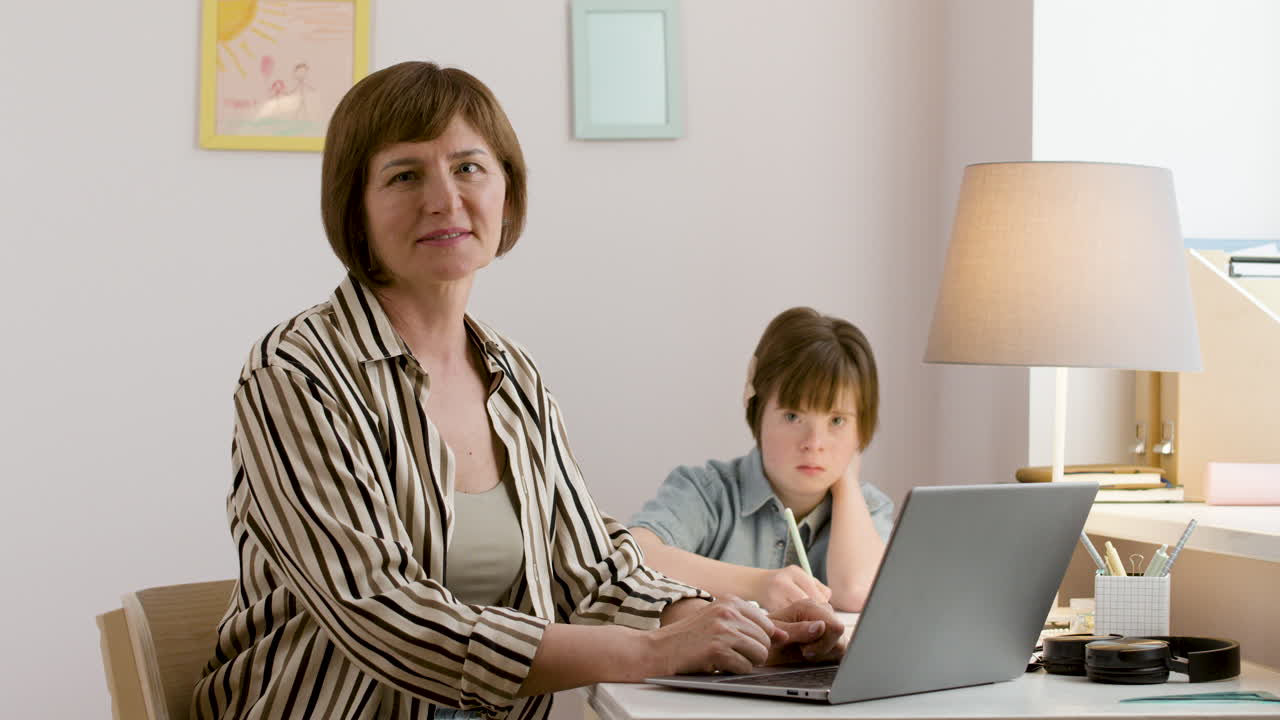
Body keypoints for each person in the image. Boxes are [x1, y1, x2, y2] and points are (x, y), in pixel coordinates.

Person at [191, 62, 845, 720]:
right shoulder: (295, 373)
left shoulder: (515, 375)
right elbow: (381, 614)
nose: (444, 199)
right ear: (355, 207)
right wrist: (651, 653)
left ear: (507, 189)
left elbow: (591, 574)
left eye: (469, 167)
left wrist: (731, 632)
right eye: (405, 175)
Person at [629, 307, 895, 613]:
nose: (814, 444)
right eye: (793, 416)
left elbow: (857, 593)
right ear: (758, 411)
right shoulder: (707, 491)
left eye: (837, 421)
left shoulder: (869, 509)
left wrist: (847, 479)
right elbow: (635, 554)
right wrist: (757, 584)